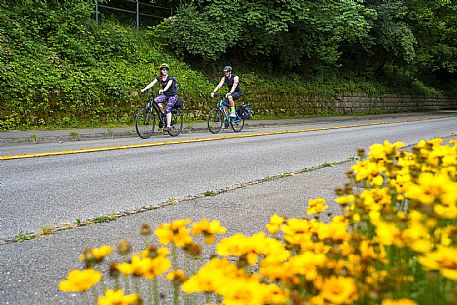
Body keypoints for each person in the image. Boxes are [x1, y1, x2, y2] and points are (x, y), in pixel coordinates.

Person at [141, 63, 178, 132]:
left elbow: (168, 85)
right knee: (156, 100)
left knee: (168, 109)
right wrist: (144, 89)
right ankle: (163, 115)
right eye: (164, 69)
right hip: (165, 95)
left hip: (172, 96)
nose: (165, 71)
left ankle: (168, 126)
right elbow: (152, 83)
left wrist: (163, 90)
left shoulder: (170, 78)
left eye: (166, 70)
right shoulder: (159, 78)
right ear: (161, 70)